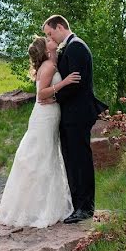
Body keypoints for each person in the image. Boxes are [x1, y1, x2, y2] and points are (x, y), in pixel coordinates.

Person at [0, 36, 81, 228]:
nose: (52, 39)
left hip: (46, 113)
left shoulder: (50, 62)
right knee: (41, 156)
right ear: (45, 48)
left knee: (44, 154)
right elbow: (41, 93)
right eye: (48, 40)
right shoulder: (49, 66)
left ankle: (39, 206)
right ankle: (39, 209)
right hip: (45, 115)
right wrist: (65, 82)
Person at [41, 15, 108, 224]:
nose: (49, 37)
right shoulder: (68, 47)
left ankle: (85, 208)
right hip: (70, 114)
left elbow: (76, 84)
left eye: (50, 33)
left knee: (80, 161)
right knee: (71, 160)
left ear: (60, 27)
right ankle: (77, 205)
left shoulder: (76, 47)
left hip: (78, 114)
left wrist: (53, 98)